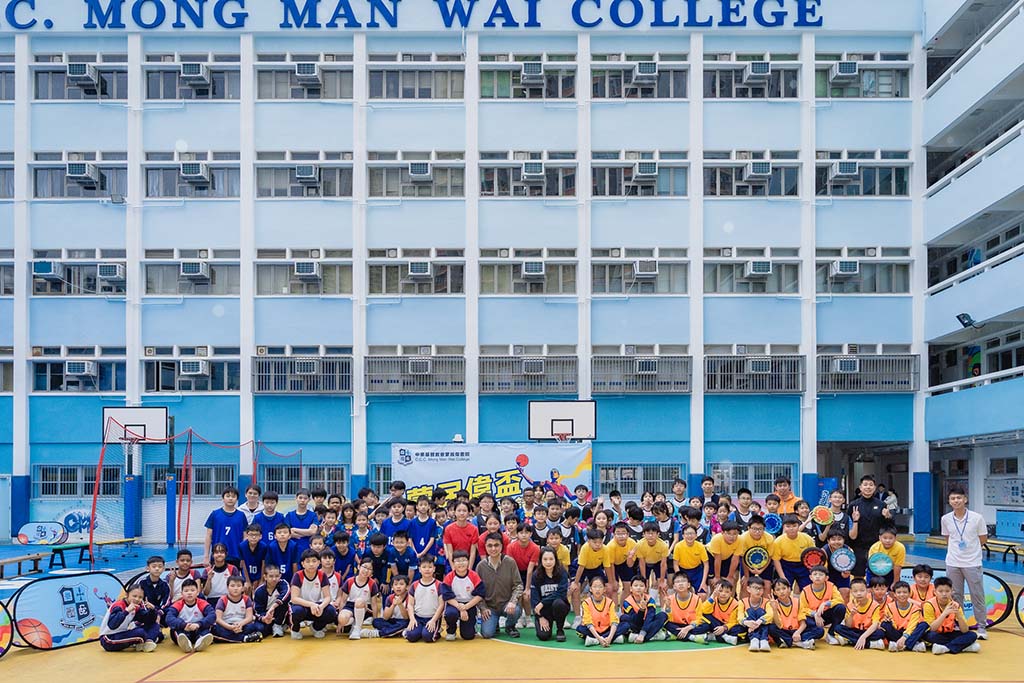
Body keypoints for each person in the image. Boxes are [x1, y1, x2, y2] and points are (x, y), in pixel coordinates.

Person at [940, 485, 988, 640]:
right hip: (953, 562)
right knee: (955, 595)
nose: (956, 501)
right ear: (949, 501)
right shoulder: (945, 519)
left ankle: (981, 626)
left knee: (977, 595)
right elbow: (948, 539)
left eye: (959, 498)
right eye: (953, 498)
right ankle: (956, 624)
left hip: (972, 562)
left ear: (965, 499)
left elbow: (983, 539)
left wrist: (970, 551)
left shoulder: (977, 518)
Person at [475, 531, 524, 639]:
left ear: (502, 546)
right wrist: (483, 608)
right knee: (487, 634)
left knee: (516, 610)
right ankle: (494, 623)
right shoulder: (481, 566)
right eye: (490, 545)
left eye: (496, 545)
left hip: (507, 604)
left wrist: (513, 601)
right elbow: (477, 591)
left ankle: (510, 626)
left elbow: (518, 585)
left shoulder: (510, 562)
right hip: (490, 607)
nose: (493, 548)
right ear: (485, 547)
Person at [923, 577, 981, 655]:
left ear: (952, 591)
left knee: (972, 635)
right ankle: (963, 647)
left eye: (947, 591)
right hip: (935, 633)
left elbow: (965, 630)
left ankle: (946, 648)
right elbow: (932, 628)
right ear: (935, 592)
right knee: (930, 636)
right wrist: (944, 614)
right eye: (940, 591)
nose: (944, 594)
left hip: (949, 633)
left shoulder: (955, 605)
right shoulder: (928, 604)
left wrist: (958, 615)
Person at [848, 475, 891, 577]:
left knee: (878, 576)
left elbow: (887, 527)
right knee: (858, 576)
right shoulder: (853, 505)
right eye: (865, 484)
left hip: (877, 546)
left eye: (871, 485)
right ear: (860, 487)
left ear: (874, 487)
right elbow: (849, 527)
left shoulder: (881, 505)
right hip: (858, 546)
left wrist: (888, 517)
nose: (868, 487)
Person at [289, 549, 338, 640]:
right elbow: (294, 598)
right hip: (302, 606)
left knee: (331, 611)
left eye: (314, 561)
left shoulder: (322, 575)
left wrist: (321, 607)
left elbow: (328, 597)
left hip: (316, 607)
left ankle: (316, 628)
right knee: (296, 611)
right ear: (303, 564)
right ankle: (295, 629)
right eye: (308, 562)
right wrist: (311, 604)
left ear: (319, 562)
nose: (311, 564)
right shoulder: (298, 575)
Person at [99, 583, 161, 652]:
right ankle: (144, 641)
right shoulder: (118, 605)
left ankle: (147, 642)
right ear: (127, 595)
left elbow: (148, 620)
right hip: (108, 639)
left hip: (122, 634)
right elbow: (112, 625)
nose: (137, 599)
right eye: (134, 596)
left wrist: (152, 610)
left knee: (155, 625)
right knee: (140, 632)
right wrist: (126, 611)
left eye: (140, 597)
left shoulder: (135, 607)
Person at [442, 550, 485, 641]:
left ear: (468, 561)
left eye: (463, 560)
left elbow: (480, 595)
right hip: (454, 604)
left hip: (470, 604)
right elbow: (447, 596)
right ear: (453, 563)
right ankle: (451, 631)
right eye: (457, 561)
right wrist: (460, 607)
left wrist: (466, 607)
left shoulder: (474, 576)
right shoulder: (449, 577)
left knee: (468, 636)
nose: (461, 563)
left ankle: (471, 626)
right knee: (450, 614)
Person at [576, 576, 629, 647]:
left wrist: (610, 637)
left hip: (607, 629)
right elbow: (588, 623)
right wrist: (599, 638)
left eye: (600, 587)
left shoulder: (610, 602)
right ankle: (612, 638)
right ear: (590, 589)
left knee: (626, 625)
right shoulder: (586, 603)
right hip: (593, 630)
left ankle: (595, 641)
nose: (597, 589)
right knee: (579, 629)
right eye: (595, 587)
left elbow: (614, 621)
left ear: (604, 589)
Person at [799, 565, 845, 646]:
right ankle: (803, 638)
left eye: (821, 575)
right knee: (819, 631)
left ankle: (831, 634)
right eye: (815, 574)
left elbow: (840, 600)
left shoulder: (831, 586)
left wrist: (825, 603)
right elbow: (802, 609)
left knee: (840, 608)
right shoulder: (805, 591)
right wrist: (815, 614)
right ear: (810, 577)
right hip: (812, 617)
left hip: (825, 614)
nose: (817, 577)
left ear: (826, 578)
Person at [166, 578, 216, 653]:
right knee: (175, 631)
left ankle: (200, 641)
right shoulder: (177, 604)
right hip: (184, 629)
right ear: (182, 593)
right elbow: (169, 618)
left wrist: (199, 624)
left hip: (198, 628)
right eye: (186, 591)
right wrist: (184, 625)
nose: (189, 593)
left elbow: (212, 615)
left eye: (192, 590)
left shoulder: (202, 603)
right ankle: (186, 643)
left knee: (206, 630)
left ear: (197, 592)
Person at [531, 547, 570, 642]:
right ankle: (547, 623)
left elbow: (561, 593)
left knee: (558, 603)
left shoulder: (562, 572)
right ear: (541, 560)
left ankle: (560, 629)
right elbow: (534, 598)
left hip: (559, 606)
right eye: (545, 559)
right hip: (544, 610)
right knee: (543, 636)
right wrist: (540, 617)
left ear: (555, 560)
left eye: (551, 559)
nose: (548, 562)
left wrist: (543, 603)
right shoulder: (536, 575)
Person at [833, 577, 884, 650]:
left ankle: (850, 641)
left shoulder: (875, 605)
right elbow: (848, 626)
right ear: (851, 592)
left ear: (867, 590)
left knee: (881, 633)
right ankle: (870, 644)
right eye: (855, 591)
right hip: (855, 630)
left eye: (862, 590)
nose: (859, 593)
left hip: (868, 631)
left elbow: (875, 624)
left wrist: (863, 637)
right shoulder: (850, 605)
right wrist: (851, 615)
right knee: (838, 628)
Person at [203, 485, 247, 568]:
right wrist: (206, 556)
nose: (230, 499)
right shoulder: (215, 514)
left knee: (235, 576)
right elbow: (208, 536)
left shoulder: (241, 516)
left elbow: (245, 537)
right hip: (218, 555)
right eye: (228, 496)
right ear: (222, 498)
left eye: (233, 496)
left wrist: (243, 556)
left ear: (237, 499)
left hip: (236, 556)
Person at [405, 555, 445, 643]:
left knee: (427, 637)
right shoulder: (414, 585)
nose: (427, 569)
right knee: (411, 636)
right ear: (419, 569)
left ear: (434, 569)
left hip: (432, 617)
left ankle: (436, 630)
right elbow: (410, 604)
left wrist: (433, 620)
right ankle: (421, 630)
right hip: (418, 617)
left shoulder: (439, 585)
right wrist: (412, 619)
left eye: (430, 567)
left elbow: (441, 605)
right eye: (424, 567)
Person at [338, 556, 381, 639]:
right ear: (358, 567)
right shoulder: (349, 581)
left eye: (369, 569)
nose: (366, 571)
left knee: (359, 601)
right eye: (364, 567)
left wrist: (375, 622)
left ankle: (357, 629)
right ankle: (354, 623)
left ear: (372, 572)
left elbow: (374, 604)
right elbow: (343, 601)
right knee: (342, 619)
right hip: (350, 606)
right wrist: (340, 622)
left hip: (365, 608)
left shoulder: (372, 584)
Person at [211, 576, 263, 643]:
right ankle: (244, 638)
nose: (235, 588)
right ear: (227, 587)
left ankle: (230, 638)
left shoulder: (246, 599)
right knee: (217, 629)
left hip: (241, 624)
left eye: (238, 586)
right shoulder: (222, 600)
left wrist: (240, 624)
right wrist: (230, 627)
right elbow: (218, 619)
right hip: (227, 625)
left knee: (253, 627)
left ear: (243, 588)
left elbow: (249, 617)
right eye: (232, 586)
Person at [691, 580, 744, 645]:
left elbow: (733, 622)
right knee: (704, 620)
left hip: (726, 627)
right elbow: (703, 610)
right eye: (720, 591)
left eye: (727, 592)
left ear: (731, 593)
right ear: (715, 591)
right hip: (714, 624)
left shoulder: (735, 604)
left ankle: (712, 636)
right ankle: (724, 637)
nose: (723, 594)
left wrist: (724, 627)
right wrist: (712, 596)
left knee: (739, 629)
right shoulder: (713, 600)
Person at [770, 515, 815, 590]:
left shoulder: (807, 538)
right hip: (786, 566)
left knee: (807, 589)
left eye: (794, 526)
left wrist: (812, 570)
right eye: (788, 526)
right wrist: (782, 576)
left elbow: (813, 555)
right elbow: (776, 560)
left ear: (799, 526)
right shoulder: (778, 541)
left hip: (803, 565)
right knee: (784, 589)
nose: (791, 529)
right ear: (784, 527)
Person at [882, 580, 928, 652]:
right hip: (897, 631)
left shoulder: (915, 608)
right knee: (885, 624)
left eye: (905, 592)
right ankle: (912, 645)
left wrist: (904, 637)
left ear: (909, 594)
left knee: (923, 625)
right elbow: (893, 624)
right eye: (899, 592)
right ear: (894, 594)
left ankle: (903, 645)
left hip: (910, 632)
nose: (902, 595)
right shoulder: (889, 606)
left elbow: (912, 626)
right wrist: (888, 620)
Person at [621, 576, 669, 643]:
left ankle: (639, 637)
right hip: (635, 625)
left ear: (645, 589)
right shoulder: (627, 602)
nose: (638, 588)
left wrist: (642, 633)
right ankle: (652, 635)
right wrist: (642, 610)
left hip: (647, 624)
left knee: (662, 615)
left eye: (641, 586)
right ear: (631, 589)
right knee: (624, 617)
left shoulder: (650, 600)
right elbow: (635, 620)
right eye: (636, 586)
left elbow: (650, 617)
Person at [253, 564, 290, 638]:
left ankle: (278, 625)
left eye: (277, 576)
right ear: (265, 577)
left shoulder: (283, 584)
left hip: (279, 613)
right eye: (271, 576)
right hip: (266, 615)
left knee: (285, 601)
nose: (274, 579)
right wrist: (264, 618)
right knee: (260, 629)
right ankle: (272, 627)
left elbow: (286, 594)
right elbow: (257, 611)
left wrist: (273, 607)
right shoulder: (259, 591)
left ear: (280, 576)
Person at [672, 523, 709, 594]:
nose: (689, 536)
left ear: (696, 535)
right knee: (683, 593)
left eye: (692, 533)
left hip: (697, 571)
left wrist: (704, 582)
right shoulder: (678, 546)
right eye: (687, 534)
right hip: (683, 571)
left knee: (702, 594)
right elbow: (675, 564)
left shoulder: (700, 546)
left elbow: (706, 564)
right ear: (683, 536)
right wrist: (680, 578)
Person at [768, 578, 804, 649]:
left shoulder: (797, 601)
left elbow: (803, 623)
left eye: (784, 588)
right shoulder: (772, 603)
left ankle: (786, 641)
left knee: (819, 630)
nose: (781, 592)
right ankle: (796, 642)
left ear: (789, 589)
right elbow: (778, 626)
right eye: (778, 590)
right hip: (782, 630)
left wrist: (798, 632)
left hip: (796, 630)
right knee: (771, 628)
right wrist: (774, 609)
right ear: (774, 592)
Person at [663, 572, 700, 641]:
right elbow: (668, 618)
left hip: (691, 626)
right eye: (677, 582)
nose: (680, 584)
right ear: (674, 586)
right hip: (676, 625)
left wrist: (688, 628)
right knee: (664, 622)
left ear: (688, 585)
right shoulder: (670, 599)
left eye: (683, 581)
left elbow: (699, 618)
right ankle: (691, 637)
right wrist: (668, 607)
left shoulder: (697, 599)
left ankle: (675, 635)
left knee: (705, 626)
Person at [443, 501, 480, 568]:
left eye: (464, 511)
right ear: (455, 512)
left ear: (469, 512)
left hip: (468, 563)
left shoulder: (474, 529)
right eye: (459, 511)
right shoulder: (448, 529)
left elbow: (473, 552)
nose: (462, 513)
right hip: (453, 563)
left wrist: (469, 569)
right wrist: (454, 569)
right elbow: (450, 552)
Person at [741, 576, 773, 652]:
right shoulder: (742, 602)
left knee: (760, 612)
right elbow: (739, 616)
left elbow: (770, 614)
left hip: (762, 626)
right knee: (750, 611)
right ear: (748, 589)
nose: (758, 591)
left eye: (760, 588)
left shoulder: (767, 602)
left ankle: (763, 640)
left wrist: (760, 621)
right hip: (748, 627)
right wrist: (747, 622)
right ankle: (754, 639)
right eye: (755, 588)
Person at [137, 556, 170, 628]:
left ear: (163, 569)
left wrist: (156, 611)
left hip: (158, 611)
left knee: (169, 612)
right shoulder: (141, 582)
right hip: (144, 611)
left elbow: (166, 602)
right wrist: (148, 608)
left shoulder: (165, 584)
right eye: (154, 566)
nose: (157, 569)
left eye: (160, 566)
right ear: (147, 568)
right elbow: (137, 599)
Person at [285, 488, 320, 554]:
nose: (302, 500)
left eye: (305, 498)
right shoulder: (289, 515)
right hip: (292, 549)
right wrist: (307, 532)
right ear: (296, 498)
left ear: (309, 500)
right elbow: (287, 533)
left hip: (308, 550)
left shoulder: (313, 515)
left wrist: (294, 529)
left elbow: (313, 531)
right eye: (300, 498)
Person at [238, 524, 267, 593]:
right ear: (247, 535)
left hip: (259, 573)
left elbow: (263, 564)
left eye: (256, 535)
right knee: (246, 588)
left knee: (258, 590)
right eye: (251, 535)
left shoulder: (264, 547)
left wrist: (261, 580)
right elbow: (243, 564)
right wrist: (247, 581)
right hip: (247, 572)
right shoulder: (242, 546)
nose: (254, 537)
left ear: (260, 536)